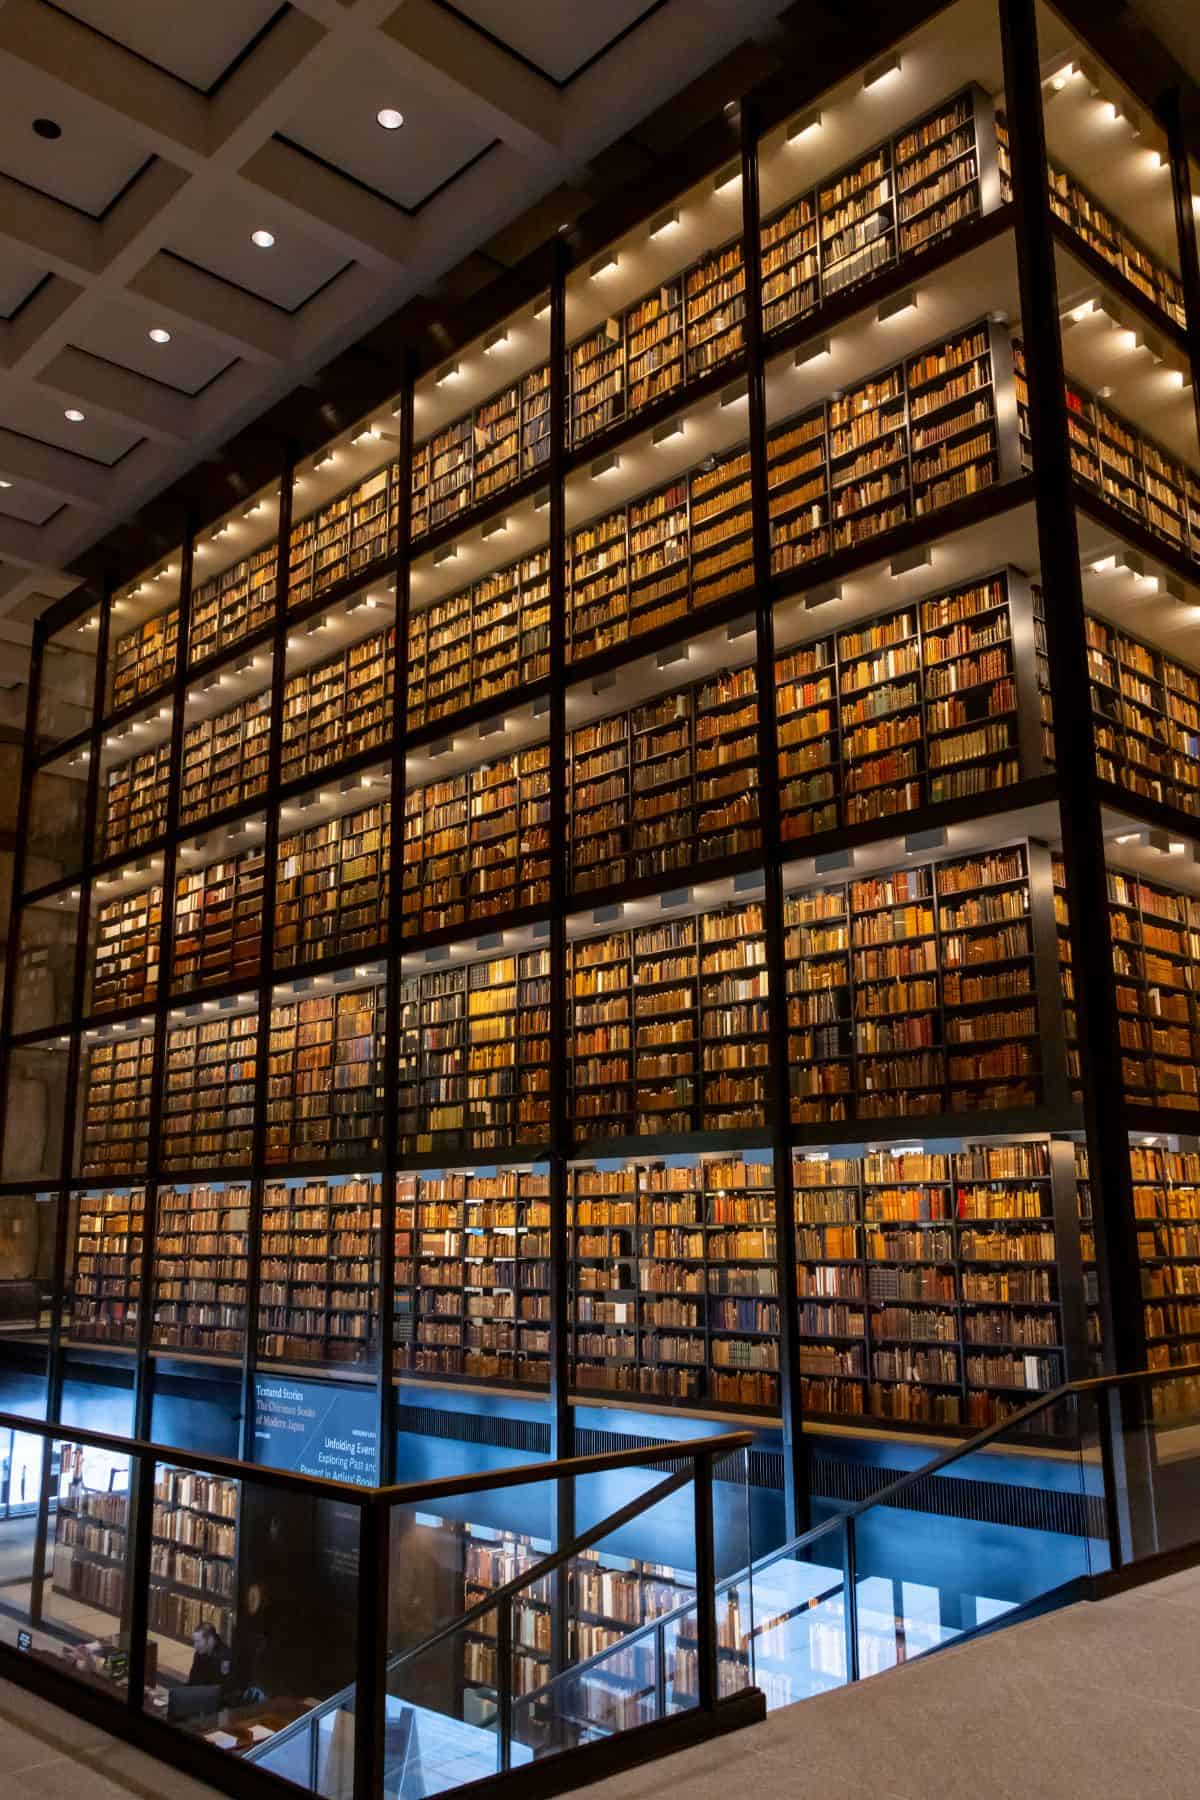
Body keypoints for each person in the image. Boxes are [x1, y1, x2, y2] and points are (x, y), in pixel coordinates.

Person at [188, 1622, 233, 1689]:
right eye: (194, 1641)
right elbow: (192, 1680)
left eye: (198, 1641)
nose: (195, 1646)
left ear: (210, 1640)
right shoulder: (199, 1653)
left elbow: (223, 1688)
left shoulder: (224, 1657)